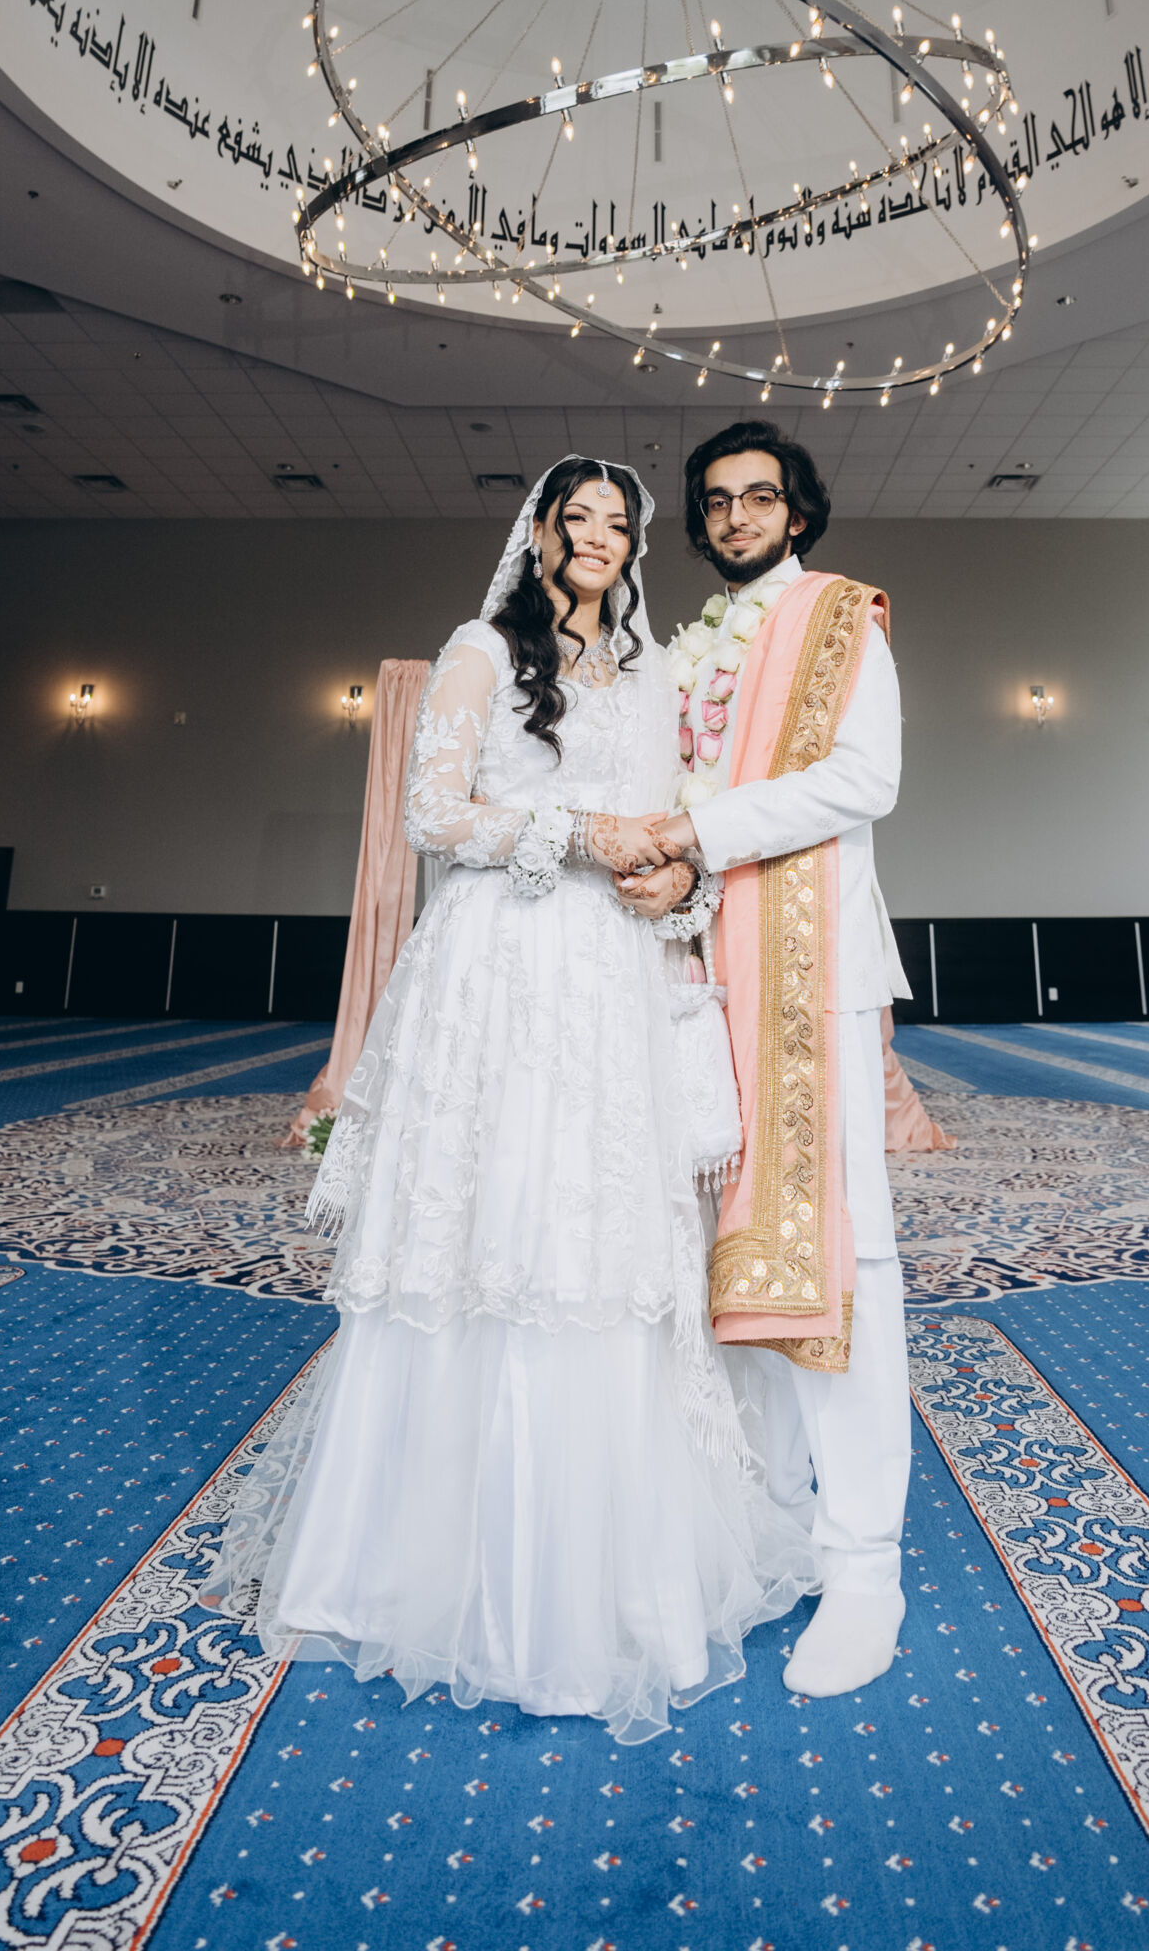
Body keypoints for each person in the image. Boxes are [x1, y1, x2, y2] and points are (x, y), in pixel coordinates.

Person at [198, 457, 819, 1743]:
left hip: (611, 975)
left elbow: (681, 820)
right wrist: (577, 837)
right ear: (539, 533)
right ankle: (418, 1570)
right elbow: (433, 815)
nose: (598, 537)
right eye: (576, 518)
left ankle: (604, 1582)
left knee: (592, 1236)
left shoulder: (654, 672)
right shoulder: (480, 649)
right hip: (494, 965)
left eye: (619, 524)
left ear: (635, 546)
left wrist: (679, 883)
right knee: (481, 1230)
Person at [617, 421, 911, 1698]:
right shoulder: (691, 648)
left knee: (840, 1258)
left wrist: (698, 832)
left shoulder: (840, 616)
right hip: (702, 974)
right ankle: (774, 1528)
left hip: (812, 975)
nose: (738, 516)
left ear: (798, 512)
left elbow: (866, 779)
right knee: (727, 1255)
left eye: (760, 497)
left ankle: (866, 1569)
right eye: (718, 500)